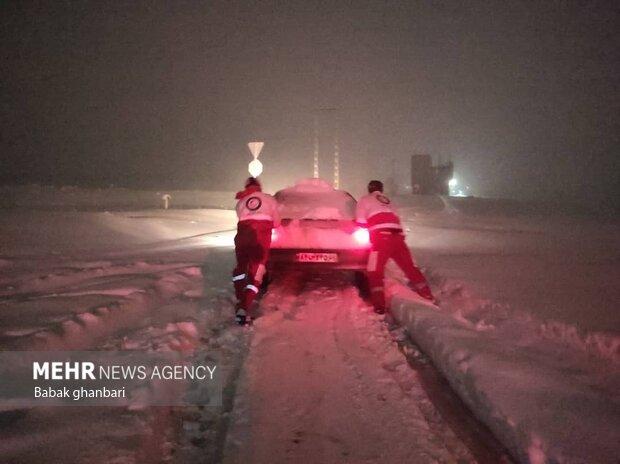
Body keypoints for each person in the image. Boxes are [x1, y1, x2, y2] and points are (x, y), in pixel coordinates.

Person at [356, 180, 435, 314]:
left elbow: (360, 221)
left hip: (381, 239)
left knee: (374, 271)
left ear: (369, 189)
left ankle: (379, 305)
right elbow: (395, 217)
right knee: (409, 267)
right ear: (381, 189)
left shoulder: (364, 200)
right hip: (398, 237)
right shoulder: (387, 201)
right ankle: (427, 295)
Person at [232, 177, 280, 325]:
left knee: (240, 270)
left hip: (242, 239)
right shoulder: (269, 200)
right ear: (259, 187)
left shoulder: (241, 202)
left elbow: (241, 219)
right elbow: (277, 222)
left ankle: (240, 298)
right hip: (259, 241)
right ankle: (244, 308)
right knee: (256, 273)